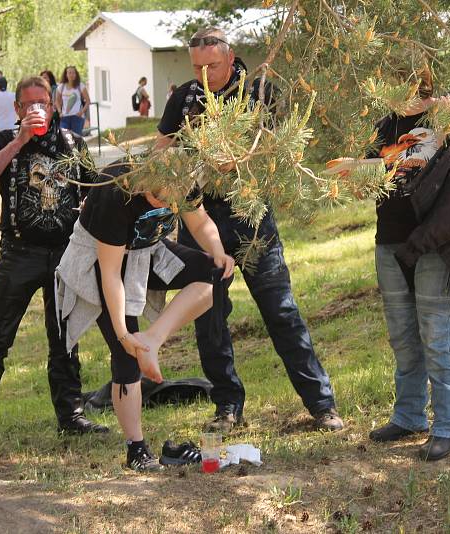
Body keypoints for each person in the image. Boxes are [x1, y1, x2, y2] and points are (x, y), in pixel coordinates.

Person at [154, 27, 343, 433]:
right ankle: (227, 407)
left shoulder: (259, 92)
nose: (205, 74)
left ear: (231, 56)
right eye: (198, 67)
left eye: (213, 65)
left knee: (281, 311)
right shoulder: (184, 97)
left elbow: (284, 148)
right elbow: (162, 148)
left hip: (250, 216)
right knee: (210, 319)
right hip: (197, 216)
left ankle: (321, 404)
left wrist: (241, 156)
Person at [356, 67, 450, 461]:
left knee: (434, 331)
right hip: (389, 239)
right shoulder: (385, 126)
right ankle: (408, 416)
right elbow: (370, 174)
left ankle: (447, 426)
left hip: (436, 243)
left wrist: (441, 128)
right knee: (403, 335)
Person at [56, 162, 235, 471]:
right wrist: (124, 333)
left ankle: (153, 339)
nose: (165, 205)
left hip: (146, 251)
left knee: (217, 274)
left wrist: (218, 250)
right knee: (126, 355)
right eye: (157, 200)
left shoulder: (180, 176)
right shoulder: (116, 192)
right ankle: (136, 449)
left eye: (170, 202)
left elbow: (199, 221)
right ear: (143, 184)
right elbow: (111, 275)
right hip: (99, 262)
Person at [0, 76, 103, 455]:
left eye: (44, 101)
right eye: (30, 103)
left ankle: (71, 415)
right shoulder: (5, 141)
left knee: (65, 340)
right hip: (19, 254)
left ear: (53, 107)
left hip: (63, 254)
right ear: (19, 109)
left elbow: (96, 190)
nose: (38, 108)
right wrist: (21, 141)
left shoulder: (71, 144)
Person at [56, 66, 90, 135]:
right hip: (64, 117)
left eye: (73, 73)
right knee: (64, 137)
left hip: (77, 117)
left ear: (76, 74)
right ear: (66, 75)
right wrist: (60, 112)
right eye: (69, 73)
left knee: (76, 139)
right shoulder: (61, 87)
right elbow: (57, 101)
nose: (72, 75)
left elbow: (88, 101)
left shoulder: (80, 86)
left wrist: (82, 112)